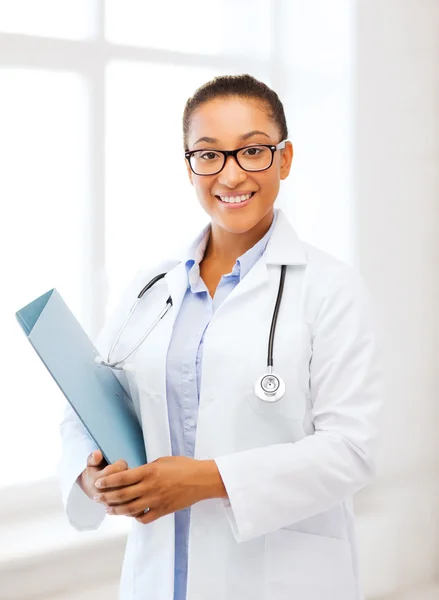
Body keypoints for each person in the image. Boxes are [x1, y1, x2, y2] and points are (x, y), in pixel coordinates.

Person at [58, 74, 381, 600]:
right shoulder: (149, 287)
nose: (230, 175)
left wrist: (207, 479)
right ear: (188, 167)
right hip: (162, 574)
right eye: (208, 155)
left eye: (252, 150)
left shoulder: (331, 288)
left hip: (279, 576)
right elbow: (87, 408)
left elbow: (351, 450)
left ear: (285, 158)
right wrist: (88, 476)